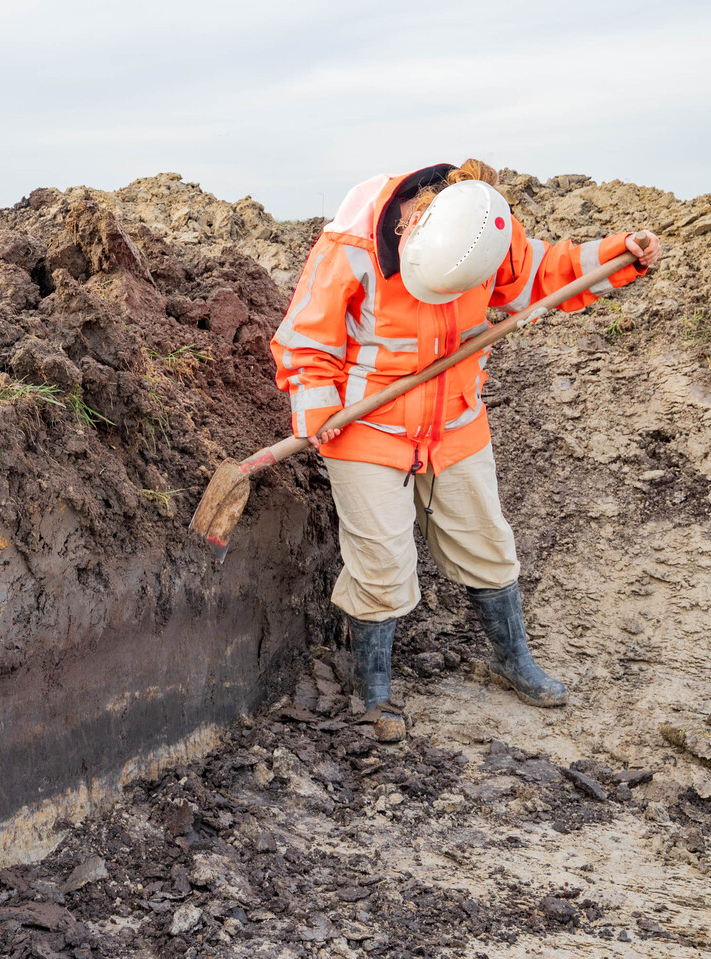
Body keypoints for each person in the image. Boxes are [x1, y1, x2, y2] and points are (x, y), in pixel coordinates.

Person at [270, 160, 660, 729]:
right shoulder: (350, 243)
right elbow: (306, 339)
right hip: (367, 428)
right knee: (381, 563)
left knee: (486, 543)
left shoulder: (481, 224)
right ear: (409, 230)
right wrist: (318, 411)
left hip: (455, 420)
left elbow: (544, 274)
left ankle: (514, 660)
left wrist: (618, 252)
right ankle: (376, 689)